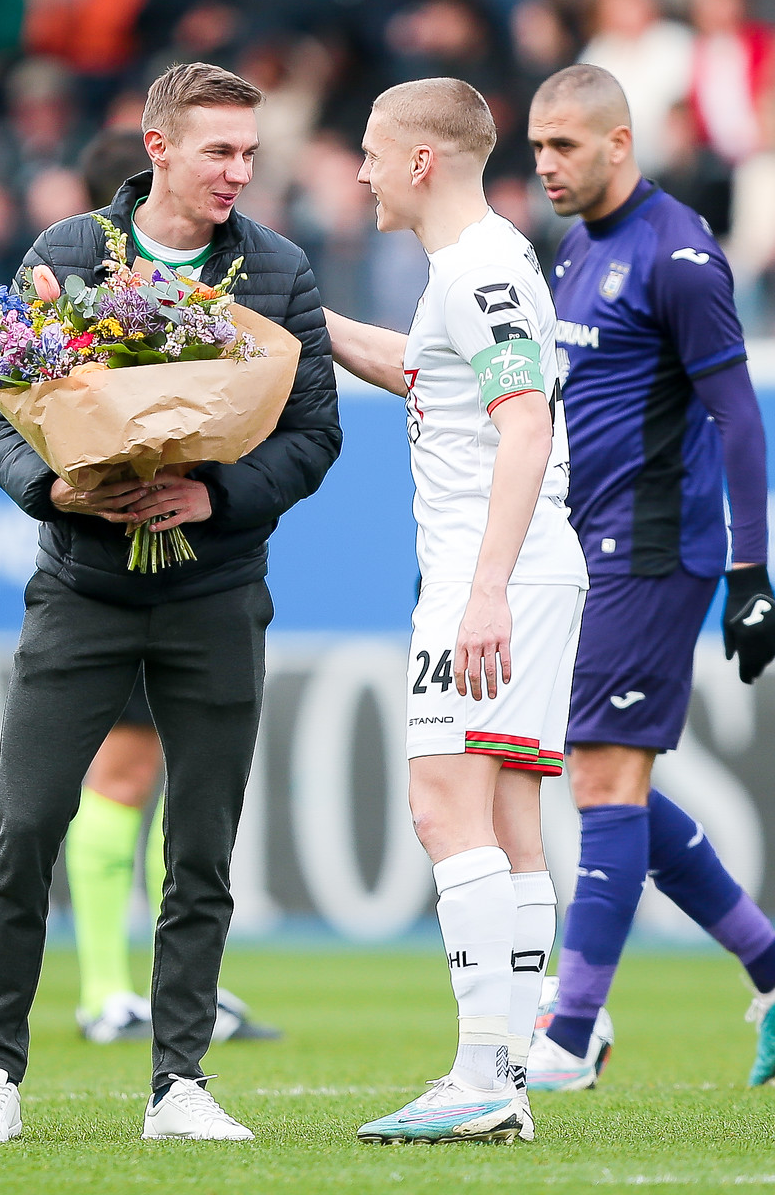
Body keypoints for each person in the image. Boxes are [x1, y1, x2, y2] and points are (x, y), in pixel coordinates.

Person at [0, 61, 340, 1144]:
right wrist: (53, 482)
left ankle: (179, 1085)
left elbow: (315, 437)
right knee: (26, 830)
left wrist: (208, 496)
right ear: (158, 148)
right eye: (220, 151)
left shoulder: (281, 268)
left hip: (215, 593)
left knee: (202, 847)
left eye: (251, 154)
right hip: (80, 590)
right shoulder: (66, 256)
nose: (239, 173)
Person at [326, 76, 588, 1145]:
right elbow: (426, 374)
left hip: (498, 575)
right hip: (524, 567)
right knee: (512, 829)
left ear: (423, 161)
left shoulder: (477, 267)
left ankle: (481, 1076)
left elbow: (523, 423)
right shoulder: (480, 264)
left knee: (444, 810)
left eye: (376, 151)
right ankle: (506, 1075)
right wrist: (306, 317)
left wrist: (480, 590)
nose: (362, 170)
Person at [524, 62, 775, 1093]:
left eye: (565, 146)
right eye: (536, 146)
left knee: (605, 781)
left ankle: (571, 1036)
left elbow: (737, 415)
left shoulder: (678, 256)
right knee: (609, 779)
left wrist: (755, 571)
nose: (545, 164)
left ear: (620, 143)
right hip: (587, 547)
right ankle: (770, 971)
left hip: (658, 548)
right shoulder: (576, 246)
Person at [64, 126, 280, 1048]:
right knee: (122, 770)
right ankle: (106, 989)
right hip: (118, 566)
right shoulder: (94, 285)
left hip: (199, 555)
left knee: (172, 779)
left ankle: (162, 988)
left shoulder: (222, 282)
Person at [66, 669, 281, 1043]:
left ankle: (182, 991)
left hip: (215, 613)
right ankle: (103, 996)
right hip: (141, 613)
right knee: (127, 765)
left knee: (202, 764)